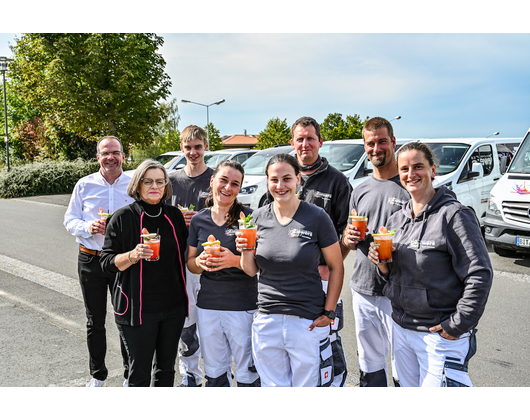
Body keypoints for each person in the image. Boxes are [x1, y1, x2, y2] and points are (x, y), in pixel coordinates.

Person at [367, 141, 493, 387]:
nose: (410, 174)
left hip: (439, 335)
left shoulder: (455, 215)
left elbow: (480, 274)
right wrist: (381, 264)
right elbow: (391, 277)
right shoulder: (396, 220)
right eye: (404, 169)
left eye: (418, 167)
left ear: (433, 170)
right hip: (402, 328)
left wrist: (457, 325)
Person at [237, 153, 344, 387]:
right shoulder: (256, 218)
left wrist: (329, 312)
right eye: (274, 179)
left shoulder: (317, 217)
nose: (280, 185)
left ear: (298, 179)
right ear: (267, 181)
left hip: (306, 321)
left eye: (286, 178)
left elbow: (336, 267)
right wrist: (246, 250)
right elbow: (250, 270)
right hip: (267, 319)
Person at [100, 159, 189, 387]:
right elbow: (106, 262)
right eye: (147, 181)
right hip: (136, 310)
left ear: (166, 186)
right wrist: (132, 255)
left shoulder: (174, 216)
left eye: (160, 181)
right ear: (137, 185)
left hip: (172, 307)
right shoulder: (122, 217)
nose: (154, 186)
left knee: (166, 371)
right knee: (138, 373)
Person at [342, 116, 409, 387]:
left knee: (403, 366)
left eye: (382, 141)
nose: (376, 148)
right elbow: (350, 238)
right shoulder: (360, 190)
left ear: (393, 142)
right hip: (363, 288)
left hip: (399, 292)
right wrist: (346, 239)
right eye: (370, 143)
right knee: (369, 365)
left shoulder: (408, 186)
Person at [288, 116, 352, 386]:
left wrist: (330, 265)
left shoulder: (337, 182)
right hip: (289, 280)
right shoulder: (283, 177)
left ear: (320, 142)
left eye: (310, 138)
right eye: (300, 139)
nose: (305, 144)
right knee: (297, 338)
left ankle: (336, 381)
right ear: (292, 143)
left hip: (324, 278)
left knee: (328, 337)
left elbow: (347, 232)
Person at [64, 135, 132, 387]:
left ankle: (129, 375)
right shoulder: (84, 185)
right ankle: (98, 376)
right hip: (90, 259)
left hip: (121, 261)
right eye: (105, 153)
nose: (110, 157)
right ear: (98, 157)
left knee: (126, 318)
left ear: (123, 156)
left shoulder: (133, 184)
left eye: (115, 152)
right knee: (95, 321)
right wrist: (87, 226)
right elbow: (69, 219)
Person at [187, 160, 260, 387]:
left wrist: (234, 260)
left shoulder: (249, 219)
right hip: (208, 306)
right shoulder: (199, 220)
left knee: (249, 375)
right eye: (224, 180)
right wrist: (199, 260)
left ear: (240, 188)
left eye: (235, 184)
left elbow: (255, 268)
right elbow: (190, 263)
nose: (228, 188)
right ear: (212, 181)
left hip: (243, 306)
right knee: (215, 373)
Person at [166, 125, 213, 386]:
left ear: (206, 146)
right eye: (188, 147)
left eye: (198, 146)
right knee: (187, 320)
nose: (193, 152)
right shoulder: (170, 180)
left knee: (212, 319)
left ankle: (218, 372)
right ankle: (190, 374)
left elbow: (227, 216)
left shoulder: (217, 178)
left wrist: (201, 219)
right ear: (181, 148)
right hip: (178, 261)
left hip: (209, 261)